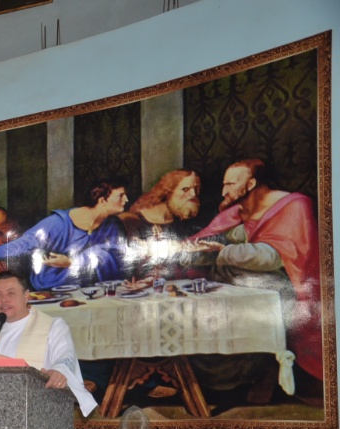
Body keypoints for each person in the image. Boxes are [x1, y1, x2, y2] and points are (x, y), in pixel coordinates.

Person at [188, 159, 321, 380]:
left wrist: (223, 251)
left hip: (280, 287)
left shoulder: (294, 206)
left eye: (230, 184)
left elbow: (272, 257)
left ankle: (249, 377)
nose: (224, 191)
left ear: (250, 184)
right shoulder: (243, 210)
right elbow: (237, 234)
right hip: (244, 283)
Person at [0, 178, 129, 290]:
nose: (126, 200)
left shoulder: (112, 225)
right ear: (102, 200)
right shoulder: (57, 223)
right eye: (121, 196)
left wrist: (73, 262)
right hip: (54, 287)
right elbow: (24, 244)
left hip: (92, 288)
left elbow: (118, 259)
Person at [0, 270, 97, 417]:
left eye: (11, 293)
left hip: (38, 413)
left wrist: (59, 371)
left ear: (26, 295)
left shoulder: (53, 326)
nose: (4, 300)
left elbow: (65, 357)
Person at [116, 170, 203, 285]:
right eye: (185, 189)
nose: (193, 194)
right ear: (168, 193)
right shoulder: (133, 220)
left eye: (195, 189)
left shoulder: (183, 223)